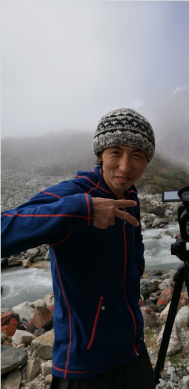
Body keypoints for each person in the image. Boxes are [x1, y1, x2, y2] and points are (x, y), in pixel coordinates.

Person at [1, 108, 156, 389]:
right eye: (115, 152)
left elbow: (136, 239)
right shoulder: (72, 193)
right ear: (100, 155)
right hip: (84, 366)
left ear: (146, 160)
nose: (124, 167)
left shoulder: (130, 193)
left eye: (137, 155)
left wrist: (136, 269)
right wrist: (80, 209)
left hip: (133, 350)